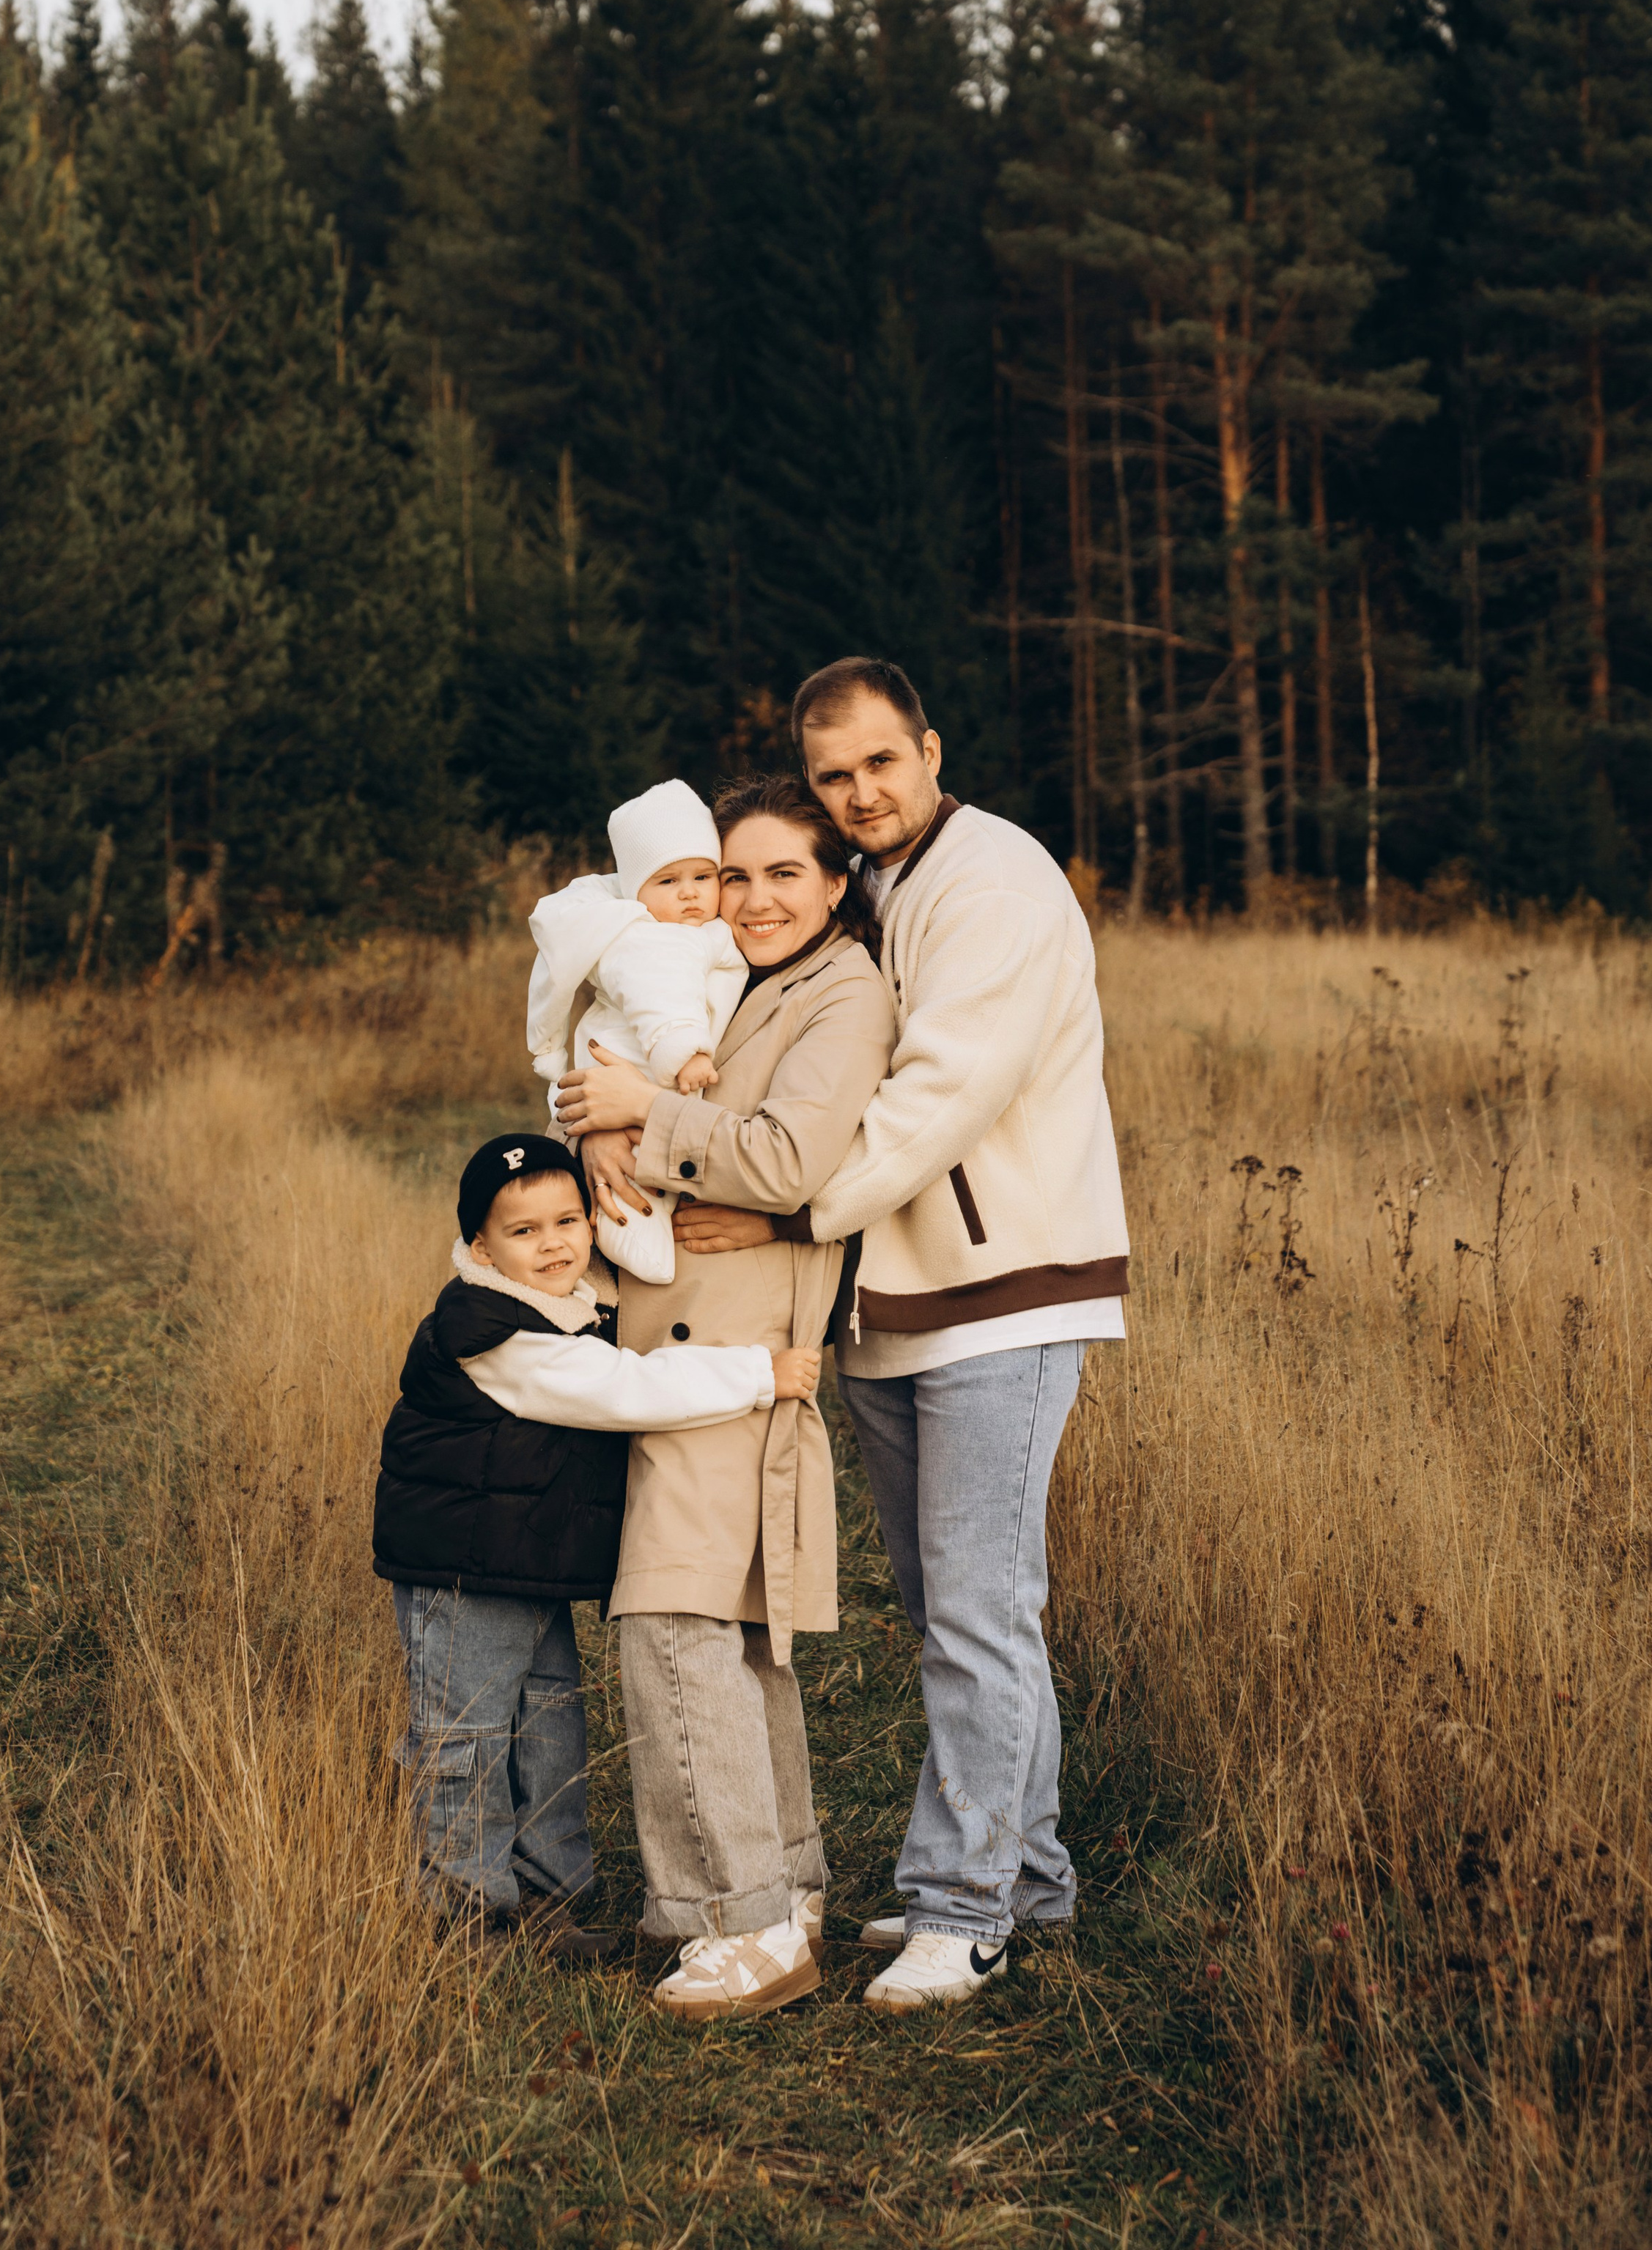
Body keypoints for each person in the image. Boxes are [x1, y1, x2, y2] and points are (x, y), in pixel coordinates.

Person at [674, 659, 1129, 2013]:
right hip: (893, 1302)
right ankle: (1026, 1873)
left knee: (981, 1612)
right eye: (834, 776)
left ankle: (965, 1908)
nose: (861, 792)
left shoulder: (993, 880)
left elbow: (937, 1100)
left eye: (881, 761)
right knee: (950, 1611)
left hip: (1005, 1291)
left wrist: (789, 1215)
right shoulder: (871, 886)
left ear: (930, 747)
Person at [556, 781, 895, 2021]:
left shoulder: (844, 993)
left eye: (781, 877)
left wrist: (645, 1117)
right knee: (740, 1642)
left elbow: (792, 1160)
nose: (750, 900)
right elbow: (621, 1081)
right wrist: (600, 1127)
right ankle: (786, 1893)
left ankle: (736, 1925)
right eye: (732, 875)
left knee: (674, 1630)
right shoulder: (733, 976)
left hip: (740, 1356)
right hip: (686, 1347)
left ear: (835, 883)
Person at [369, 1130, 818, 1956]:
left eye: (568, 1221)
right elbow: (624, 1390)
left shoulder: (571, 1299)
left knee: (547, 1727)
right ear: (480, 1246)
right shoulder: (490, 1330)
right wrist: (759, 1374)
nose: (552, 1244)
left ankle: (549, 1901)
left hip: (527, 1560)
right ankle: (465, 1912)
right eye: (524, 1231)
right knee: (465, 1734)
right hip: (459, 1566)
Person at [526, 779, 746, 1285]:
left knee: (639, 1151)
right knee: (631, 1160)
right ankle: (629, 1228)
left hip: (629, 1070)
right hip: (645, 1056)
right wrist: (684, 1051)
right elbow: (660, 994)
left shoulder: (689, 932)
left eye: (703, 876)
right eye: (668, 882)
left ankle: (625, 1222)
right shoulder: (651, 939)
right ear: (637, 892)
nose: (690, 893)